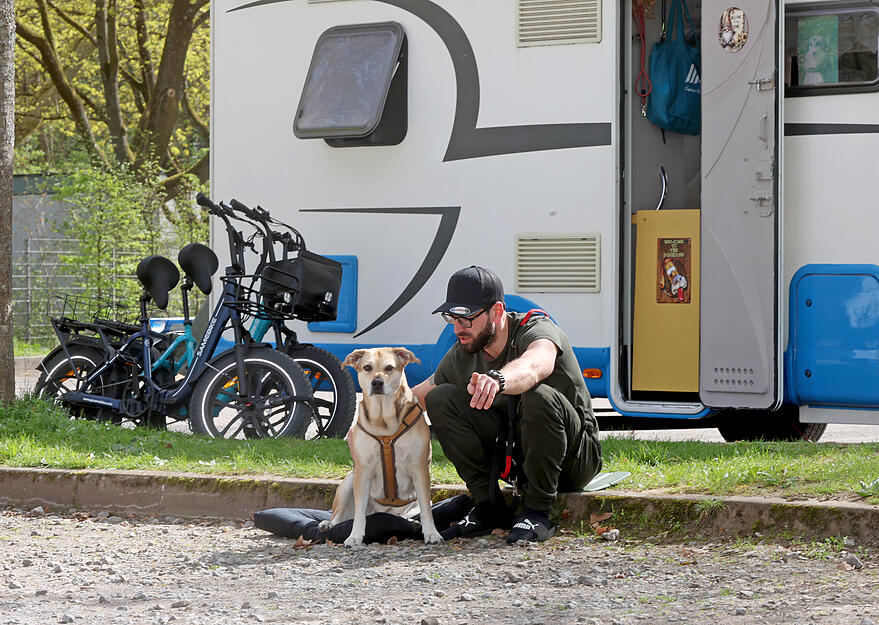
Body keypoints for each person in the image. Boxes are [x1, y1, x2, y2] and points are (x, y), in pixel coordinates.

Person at [412, 266, 602, 543]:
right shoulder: (463, 351)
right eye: (451, 318)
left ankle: (537, 512)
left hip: (573, 460)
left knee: (539, 396)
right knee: (440, 399)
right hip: (516, 459)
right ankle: (488, 507)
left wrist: (499, 379)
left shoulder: (535, 329)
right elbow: (415, 398)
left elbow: (536, 364)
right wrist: (366, 423)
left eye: (466, 318)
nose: (457, 328)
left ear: (497, 311)